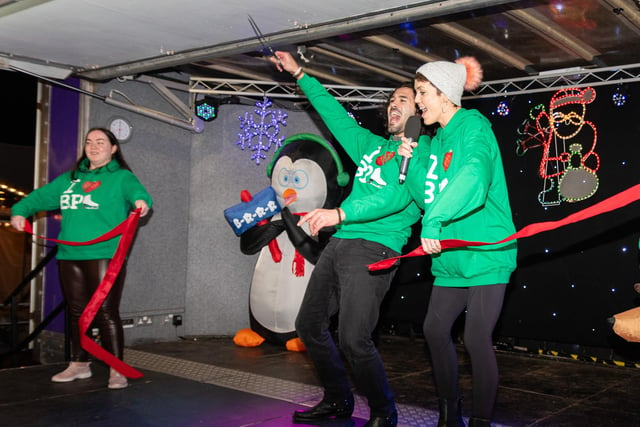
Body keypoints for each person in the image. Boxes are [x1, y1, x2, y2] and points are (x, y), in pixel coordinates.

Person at [271, 50, 429, 427]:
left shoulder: (422, 154)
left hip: (376, 247)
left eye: (403, 100)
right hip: (341, 243)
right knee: (309, 325)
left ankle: (383, 411)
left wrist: (340, 213)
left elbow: (396, 197)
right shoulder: (372, 147)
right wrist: (301, 74)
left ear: (420, 111)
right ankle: (339, 399)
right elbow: (334, 114)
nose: (393, 105)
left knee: (354, 339)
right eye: (391, 100)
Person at [398, 57, 517, 427]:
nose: (417, 102)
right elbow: (426, 196)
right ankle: (450, 409)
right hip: (450, 256)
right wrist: (412, 161)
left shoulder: (473, 126)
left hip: (485, 252)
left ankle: (480, 419)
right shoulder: (433, 142)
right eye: (416, 94)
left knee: (476, 337)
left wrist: (434, 221)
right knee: (434, 329)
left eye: (422, 93)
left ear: (446, 92)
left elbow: (474, 177)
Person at [11, 127, 152, 390]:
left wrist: (141, 203)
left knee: (106, 313)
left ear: (113, 149)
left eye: (101, 142)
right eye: (89, 142)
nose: (93, 146)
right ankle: (80, 364)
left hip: (104, 255)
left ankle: (115, 368)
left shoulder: (122, 177)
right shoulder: (70, 179)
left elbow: (140, 194)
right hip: (69, 255)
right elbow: (39, 198)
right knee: (77, 313)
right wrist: (20, 211)